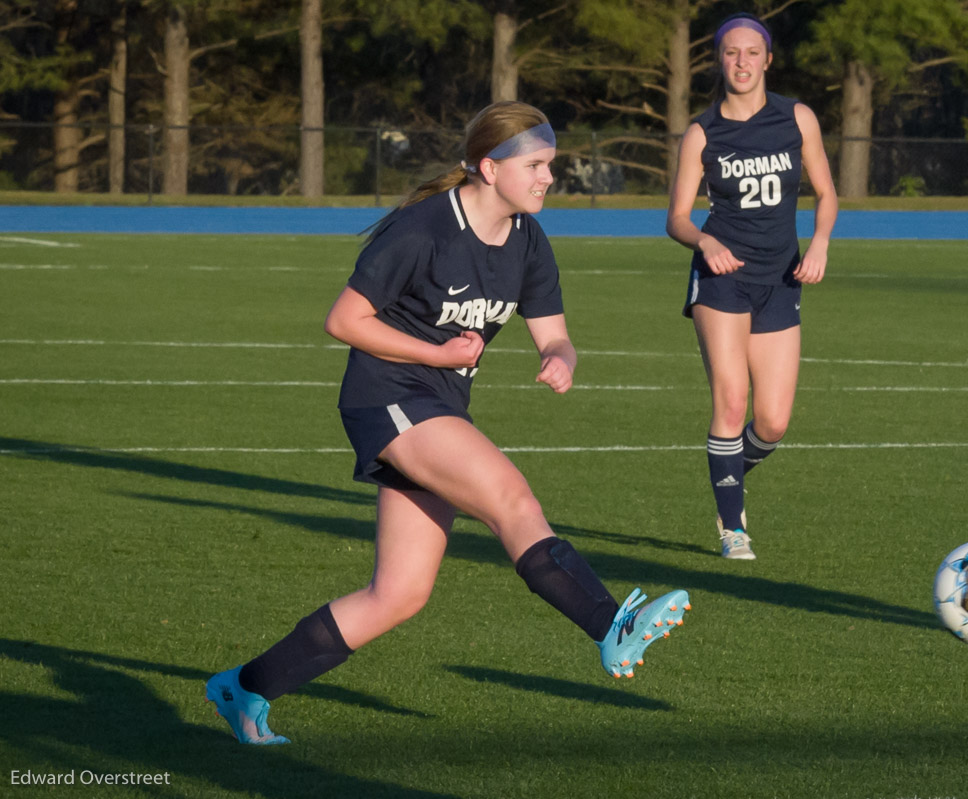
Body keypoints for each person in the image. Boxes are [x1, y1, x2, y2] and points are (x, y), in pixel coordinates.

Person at [205, 101, 691, 745]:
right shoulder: (424, 229)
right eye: (538, 165)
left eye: (552, 164)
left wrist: (558, 357)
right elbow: (344, 321)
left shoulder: (527, 237)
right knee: (509, 498)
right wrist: (437, 353)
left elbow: (557, 334)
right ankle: (611, 625)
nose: (550, 177)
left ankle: (246, 687)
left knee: (398, 594)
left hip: (438, 405)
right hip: (389, 396)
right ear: (490, 168)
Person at [666, 12, 838, 560]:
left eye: (751, 53)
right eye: (731, 53)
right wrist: (704, 243)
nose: (741, 62)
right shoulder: (702, 131)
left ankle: (727, 477)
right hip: (723, 281)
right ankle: (732, 524)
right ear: (720, 61)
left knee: (773, 420)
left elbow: (826, 194)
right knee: (731, 398)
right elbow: (676, 217)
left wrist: (819, 244)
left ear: (768, 59)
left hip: (781, 277)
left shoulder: (797, 118)